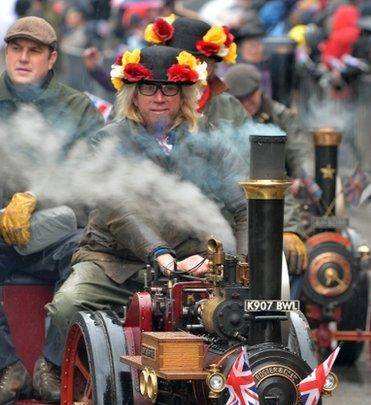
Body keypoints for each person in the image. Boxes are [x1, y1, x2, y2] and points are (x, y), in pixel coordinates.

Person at [47, 45, 308, 343]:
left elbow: (244, 206)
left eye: (170, 89)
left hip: (192, 265)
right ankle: (96, 363)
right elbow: (118, 209)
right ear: (133, 93)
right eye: (149, 88)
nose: (159, 98)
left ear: (184, 94)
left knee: (235, 319)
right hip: (115, 264)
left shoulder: (208, 139)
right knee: (67, 304)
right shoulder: (107, 141)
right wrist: (160, 254)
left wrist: (239, 265)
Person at [0, 16, 104, 405]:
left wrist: (35, 198)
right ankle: (5, 368)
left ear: (51, 58)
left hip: (56, 233)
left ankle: (52, 367)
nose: (23, 58)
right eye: (16, 49)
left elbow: (90, 176)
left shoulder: (77, 108)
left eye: (34, 51)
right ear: (6, 53)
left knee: (88, 258)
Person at [143, 15, 250, 126]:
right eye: (179, 60)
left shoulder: (229, 107)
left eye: (197, 61)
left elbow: (249, 140)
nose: (187, 68)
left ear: (210, 66)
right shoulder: (151, 101)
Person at [224, 63, 314, 180]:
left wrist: (303, 176)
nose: (246, 103)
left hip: (277, 187)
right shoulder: (225, 118)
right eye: (240, 99)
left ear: (259, 90)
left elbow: (299, 150)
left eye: (249, 96)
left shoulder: (281, 115)